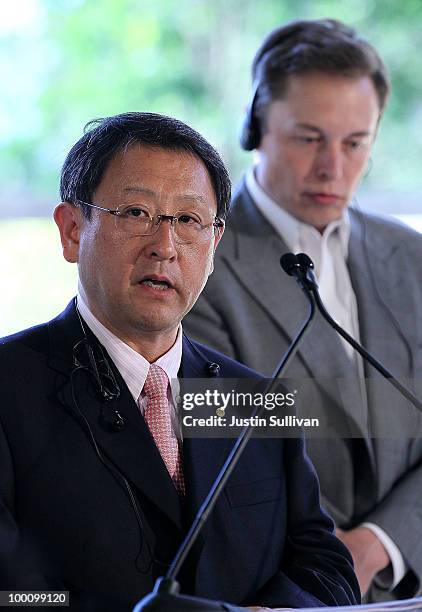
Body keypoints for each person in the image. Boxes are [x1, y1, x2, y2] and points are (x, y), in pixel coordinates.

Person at [0, 112, 359, 611]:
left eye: (188, 220)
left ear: (213, 244)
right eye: (135, 213)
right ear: (71, 230)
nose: (164, 247)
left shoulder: (253, 400)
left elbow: (325, 564)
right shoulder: (9, 386)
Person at [184, 19, 422, 601]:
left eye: (354, 143)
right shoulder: (193, 263)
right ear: (256, 128)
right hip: (280, 591)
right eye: (309, 138)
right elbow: (227, 457)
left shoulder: (413, 259)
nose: (332, 169)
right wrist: (331, 560)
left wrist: (382, 543)